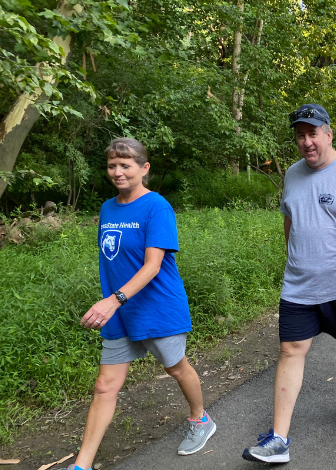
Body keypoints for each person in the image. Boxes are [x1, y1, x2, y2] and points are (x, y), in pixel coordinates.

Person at [60, 138, 215, 470]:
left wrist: (112, 301)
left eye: (125, 165)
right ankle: (81, 465)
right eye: (112, 165)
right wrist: (115, 303)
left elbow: (152, 265)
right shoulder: (107, 208)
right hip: (120, 311)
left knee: (175, 367)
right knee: (105, 385)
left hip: (156, 307)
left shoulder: (156, 207)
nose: (117, 172)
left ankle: (201, 419)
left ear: (143, 169)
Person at [242, 104, 336, 464]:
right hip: (298, 286)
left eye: (313, 133)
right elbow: (289, 218)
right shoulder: (292, 173)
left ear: (329, 133)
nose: (307, 142)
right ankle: (279, 439)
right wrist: (292, 257)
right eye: (300, 135)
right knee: (290, 351)